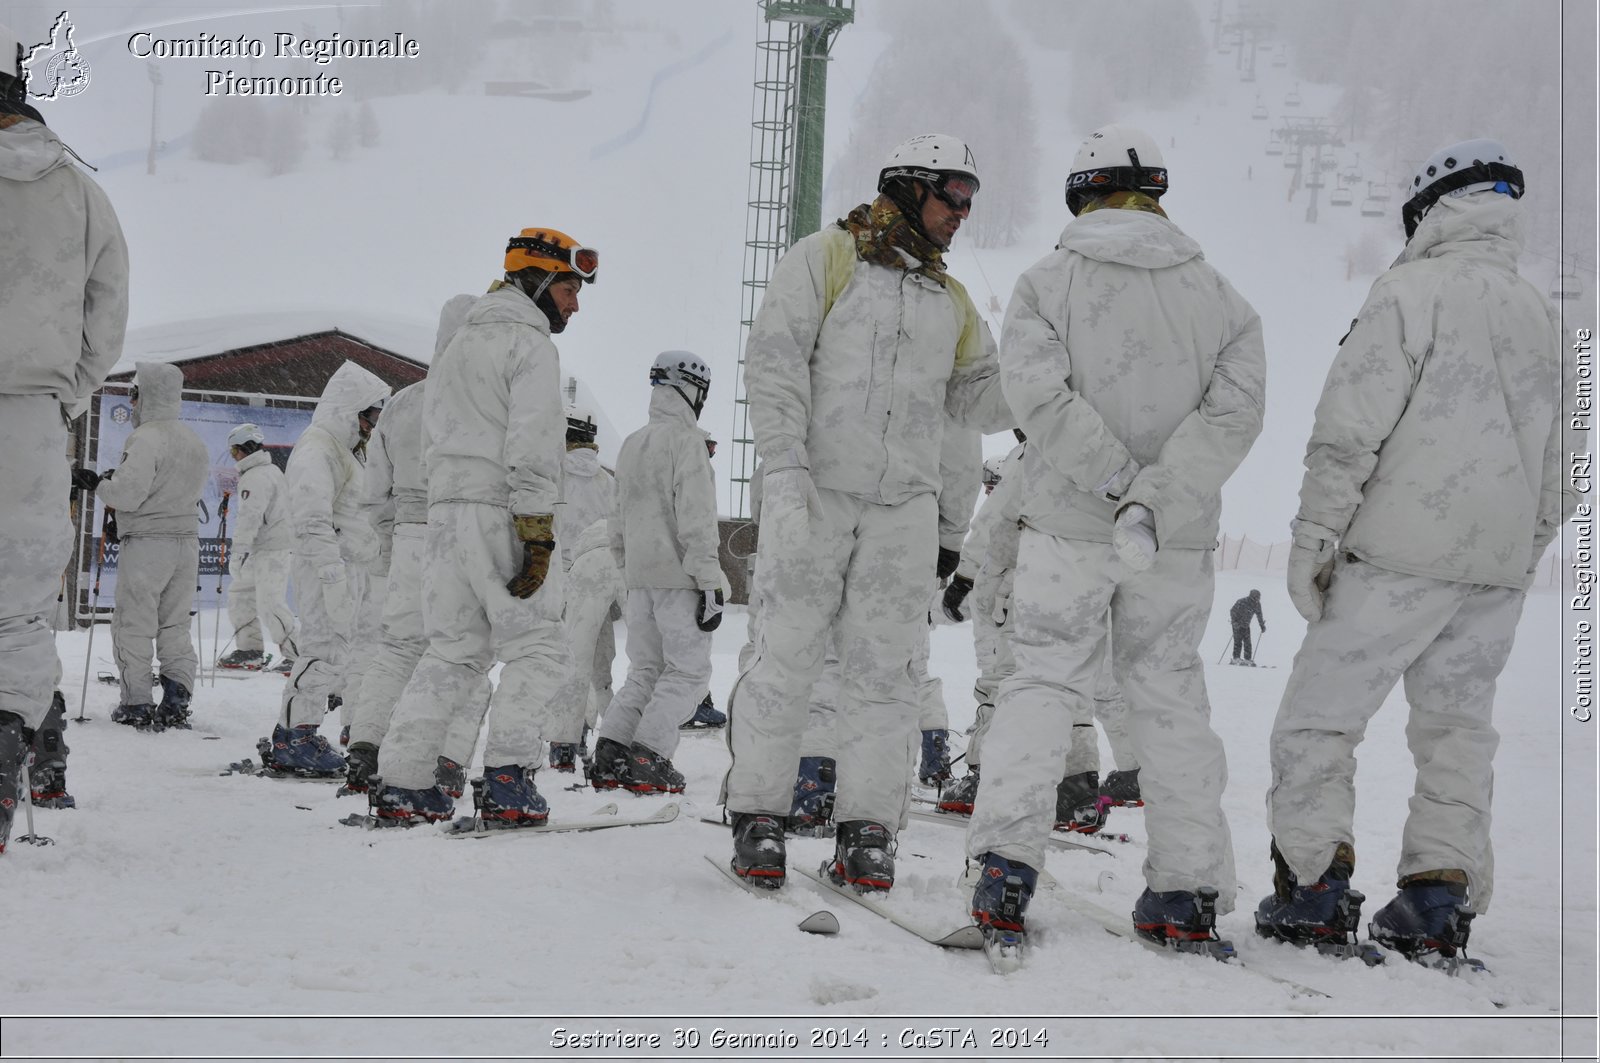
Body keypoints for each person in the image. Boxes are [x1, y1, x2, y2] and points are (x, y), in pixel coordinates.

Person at [1255, 139, 1573, 963]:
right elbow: (1565, 474)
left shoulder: (1408, 293)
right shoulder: (1547, 317)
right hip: (1492, 572)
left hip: (1394, 556)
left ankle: (1315, 889)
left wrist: (1314, 539)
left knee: (1319, 721)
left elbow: (1348, 432)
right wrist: (1517, 549)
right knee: (1457, 733)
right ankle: (1437, 897)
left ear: (1432, 211)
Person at [965, 124, 1265, 951]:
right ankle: (1187, 887)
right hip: (1173, 540)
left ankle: (1004, 870)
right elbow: (1234, 417)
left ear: (1080, 194)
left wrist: (1112, 484)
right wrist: (1154, 500)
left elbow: (1036, 397)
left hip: (1068, 526)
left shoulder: (1044, 284)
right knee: (1169, 697)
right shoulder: (1225, 301)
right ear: (1158, 195)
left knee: (1042, 686)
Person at [724, 132, 1013, 892]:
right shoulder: (828, 258)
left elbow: (975, 396)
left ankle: (869, 828)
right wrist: (784, 465)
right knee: (786, 655)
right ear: (909, 186)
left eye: (970, 199)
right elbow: (776, 358)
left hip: (902, 511)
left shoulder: (948, 300)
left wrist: (1046, 372)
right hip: (817, 488)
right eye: (952, 195)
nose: (963, 212)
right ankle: (759, 814)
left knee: (889, 671)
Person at [371, 228, 592, 827]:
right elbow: (533, 440)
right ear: (539, 282)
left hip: (445, 515)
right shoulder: (530, 345)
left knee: (452, 652)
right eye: (570, 288)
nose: (575, 303)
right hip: (504, 511)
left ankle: (402, 781)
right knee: (540, 647)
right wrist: (537, 528)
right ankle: (507, 780)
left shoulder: (458, 347)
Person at [1, 22, 128, 849]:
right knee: (16, 604)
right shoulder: (84, 192)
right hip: (31, 419)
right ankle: (8, 747)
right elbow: (106, 313)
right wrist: (64, 394)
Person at [342, 295, 490, 797]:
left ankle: (364, 749)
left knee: (397, 650)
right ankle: (443, 761)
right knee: (463, 654)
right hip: (464, 533)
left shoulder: (403, 403)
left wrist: (388, 545)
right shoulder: (487, 398)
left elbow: (374, 491)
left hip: (407, 535)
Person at [590, 351, 723, 794]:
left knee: (645, 670)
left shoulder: (632, 443)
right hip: (681, 580)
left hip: (640, 581)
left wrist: (628, 569)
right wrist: (709, 581)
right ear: (690, 388)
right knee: (688, 673)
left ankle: (611, 751)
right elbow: (697, 521)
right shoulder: (687, 444)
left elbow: (616, 519)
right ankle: (649, 755)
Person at [259, 361, 390, 777]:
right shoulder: (318, 448)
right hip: (325, 567)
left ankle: (313, 730)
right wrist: (331, 575)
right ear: (350, 409)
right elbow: (312, 519)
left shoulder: (349, 450)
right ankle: (295, 736)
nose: (373, 424)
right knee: (323, 649)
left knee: (345, 651)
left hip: (352, 566)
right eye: (370, 414)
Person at [87, 364, 210, 731]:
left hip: (146, 543)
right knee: (174, 624)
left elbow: (128, 493)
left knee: (134, 623)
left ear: (144, 396)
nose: (132, 401)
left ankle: (137, 702)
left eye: (134, 394)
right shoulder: (193, 440)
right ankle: (176, 701)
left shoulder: (145, 438)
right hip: (186, 544)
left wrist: (99, 484)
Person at [217, 424, 296, 672]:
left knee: (270, 603)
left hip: (272, 549)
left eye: (233, 451)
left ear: (243, 449)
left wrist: (238, 551)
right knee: (241, 596)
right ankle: (250, 650)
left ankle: (298, 654)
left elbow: (250, 518)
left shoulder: (256, 477)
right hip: (262, 548)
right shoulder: (269, 471)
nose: (234, 456)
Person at [1228, 589, 1266, 665]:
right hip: (1237, 624)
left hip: (1246, 625)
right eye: (1257, 597)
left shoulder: (1257, 604)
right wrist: (1234, 621)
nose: (1258, 599)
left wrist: (1262, 625)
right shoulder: (1241, 601)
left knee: (1248, 642)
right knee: (1238, 642)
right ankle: (1236, 658)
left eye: (1259, 597)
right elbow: (1232, 611)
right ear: (1252, 596)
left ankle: (1247, 659)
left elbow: (1259, 615)